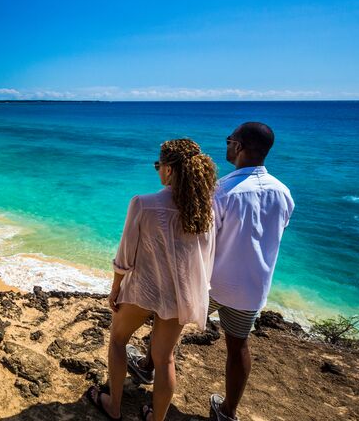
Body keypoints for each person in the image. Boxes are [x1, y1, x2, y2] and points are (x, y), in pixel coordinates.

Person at [129, 123, 294, 421]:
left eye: (230, 140)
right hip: (253, 286)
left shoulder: (223, 191)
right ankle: (228, 412)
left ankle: (147, 368)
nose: (227, 145)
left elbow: (200, 239)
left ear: (240, 147)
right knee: (238, 345)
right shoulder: (283, 193)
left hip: (211, 282)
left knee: (166, 326)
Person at [87, 139, 217, 421]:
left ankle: (114, 406)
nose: (158, 170)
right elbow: (206, 258)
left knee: (118, 341)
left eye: (159, 166)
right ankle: (155, 418)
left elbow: (125, 256)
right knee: (164, 359)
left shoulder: (143, 204)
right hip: (180, 294)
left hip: (142, 290)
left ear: (169, 170)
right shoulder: (205, 210)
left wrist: (115, 289)